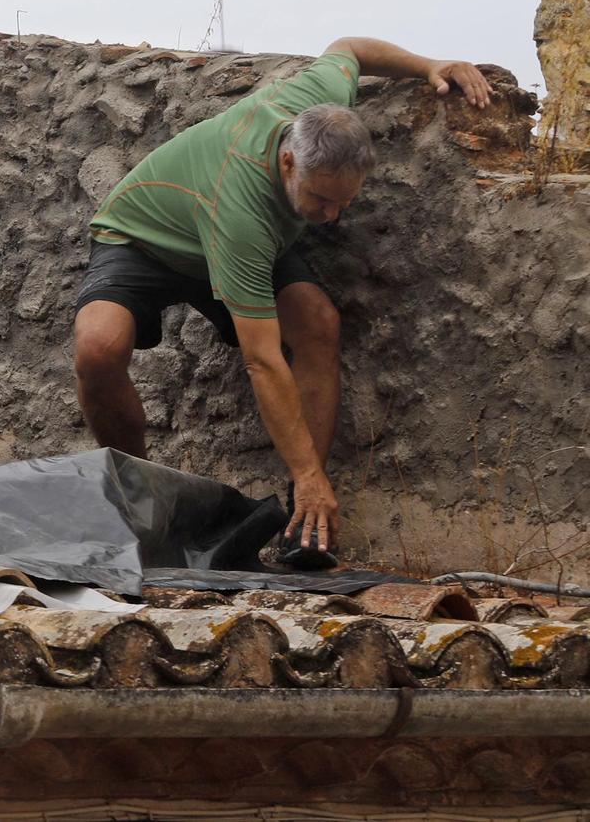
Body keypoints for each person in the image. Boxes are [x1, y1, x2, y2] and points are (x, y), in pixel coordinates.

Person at [69, 37, 493, 565]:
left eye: (344, 202)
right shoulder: (242, 208)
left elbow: (351, 49)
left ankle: (302, 522)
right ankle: (134, 501)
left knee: (317, 323)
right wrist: (310, 470)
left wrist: (432, 63)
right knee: (97, 349)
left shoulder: (320, 101)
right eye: (320, 200)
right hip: (145, 239)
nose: (332, 217)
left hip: (238, 238)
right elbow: (262, 360)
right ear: (288, 162)